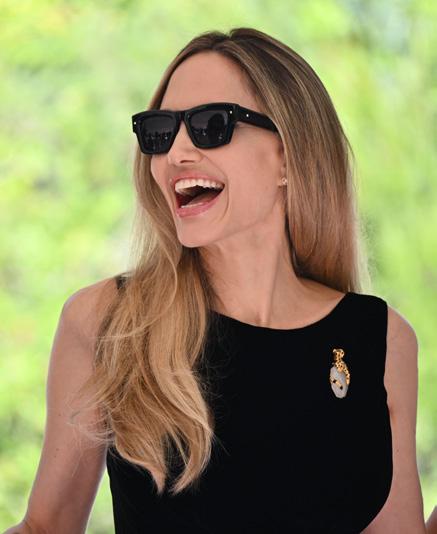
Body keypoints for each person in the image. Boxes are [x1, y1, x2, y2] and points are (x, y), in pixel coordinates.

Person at [5, 27, 429, 534]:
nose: (176, 153)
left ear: (288, 156)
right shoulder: (109, 323)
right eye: (160, 132)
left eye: (211, 125)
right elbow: (46, 527)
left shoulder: (380, 340)